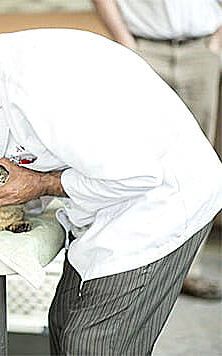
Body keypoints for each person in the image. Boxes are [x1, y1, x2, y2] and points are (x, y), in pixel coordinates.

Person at [0, 30, 222, 354]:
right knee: (62, 325)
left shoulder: (36, 89)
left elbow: (136, 175)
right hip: (108, 201)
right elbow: (48, 153)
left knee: (90, 344)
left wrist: (41, 184)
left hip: (162, 203)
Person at [92, 0, 222, 301]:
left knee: (198, 167)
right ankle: (137, 267)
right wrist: (126, 43)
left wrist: (215, 44)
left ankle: (188, 269)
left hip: (200, 50)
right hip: (144, 49)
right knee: (137, 161)